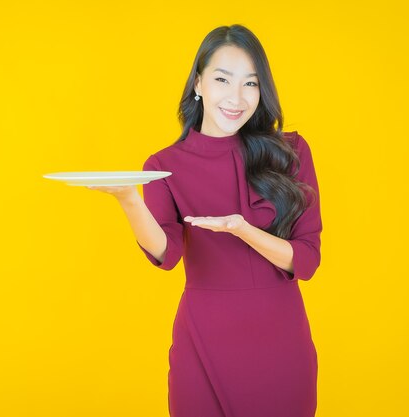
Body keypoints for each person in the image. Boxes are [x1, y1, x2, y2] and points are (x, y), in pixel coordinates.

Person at [88, 24, 322, 417]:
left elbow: (308, 260)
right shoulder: (163, 166)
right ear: (198, 83)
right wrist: (129, 199)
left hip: (280, 340)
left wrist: (244, 230)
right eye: (222, 80)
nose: (237, 97)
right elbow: (166, 254)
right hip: (203, 337)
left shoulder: (290, 152)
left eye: (250, 83)